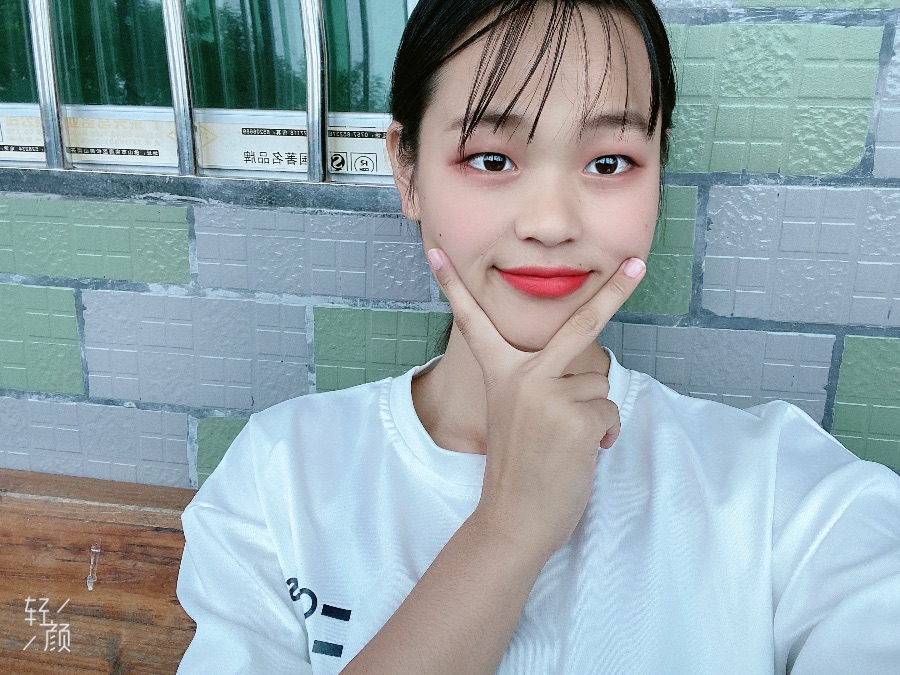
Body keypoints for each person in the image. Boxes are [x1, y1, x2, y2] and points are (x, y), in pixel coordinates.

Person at [175, 0, 900, 673]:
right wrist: (508, 528)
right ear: (408, 171)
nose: (551, 223)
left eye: (609, 162)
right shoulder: (280, 474)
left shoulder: (783, 494)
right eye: (491, 159)